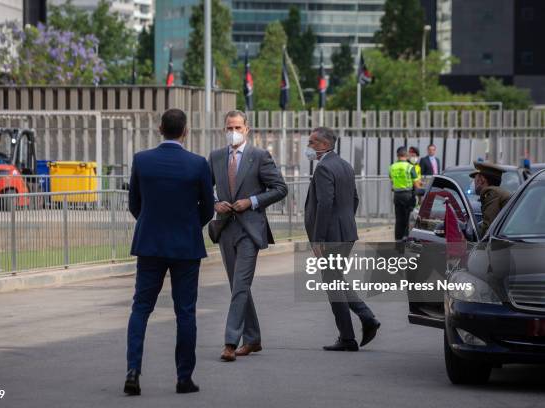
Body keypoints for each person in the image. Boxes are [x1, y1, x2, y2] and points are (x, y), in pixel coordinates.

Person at [125, 109, 214, 396]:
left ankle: (133, 371)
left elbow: (134, 204)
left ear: (160, 128)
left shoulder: (142, 160)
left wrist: (152, 225)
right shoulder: (198, 164)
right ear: (185, 131)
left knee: (140, 309)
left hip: (150, 245)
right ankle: (184, 378)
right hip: (186, 247)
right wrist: (189, 225)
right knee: (185, 313)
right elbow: (208, 209)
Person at [208, 110, 287, 362]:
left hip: (250, 229)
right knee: (237, 287)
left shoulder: (259, 156)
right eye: (230, 127)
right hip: (225, 228)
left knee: (240, 285)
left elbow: (280, 188)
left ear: (247, 129)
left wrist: (252, 201)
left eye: (238, 127)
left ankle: (231, 342)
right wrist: (215, 202)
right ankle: (252, 339)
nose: (234, 131)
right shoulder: (216, 157)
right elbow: (204, 187)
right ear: (224, 129)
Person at [304, 127, 380, 351]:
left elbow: (325, 204)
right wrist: (344, 222)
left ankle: (349, 336)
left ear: (324, 144)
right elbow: (354, 199)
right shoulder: (345, 165)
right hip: (345, 232)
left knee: (333, 284)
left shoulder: (324, 167)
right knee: (336, 279)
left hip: (330, 236)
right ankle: (364, 319)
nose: (309, 147)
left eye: (312, 143)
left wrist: (318, 239)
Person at [469, 161, 511, 236]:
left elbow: (487, 228)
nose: (474, 182)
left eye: (475, 178)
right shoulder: (498, 192)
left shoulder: (490, 193)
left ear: (481, 180)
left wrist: (472, 234)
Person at [390, 147, 420, 241]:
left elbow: (392, 181)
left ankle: (398, 239)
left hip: (397, 196)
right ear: (406, 155)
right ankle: (406, 238)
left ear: (397, 155)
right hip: (408, 196)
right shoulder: (410, 167)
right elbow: (416, 183)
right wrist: (420, 196)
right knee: (409, 218)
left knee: (399, 219)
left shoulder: (392, 167)